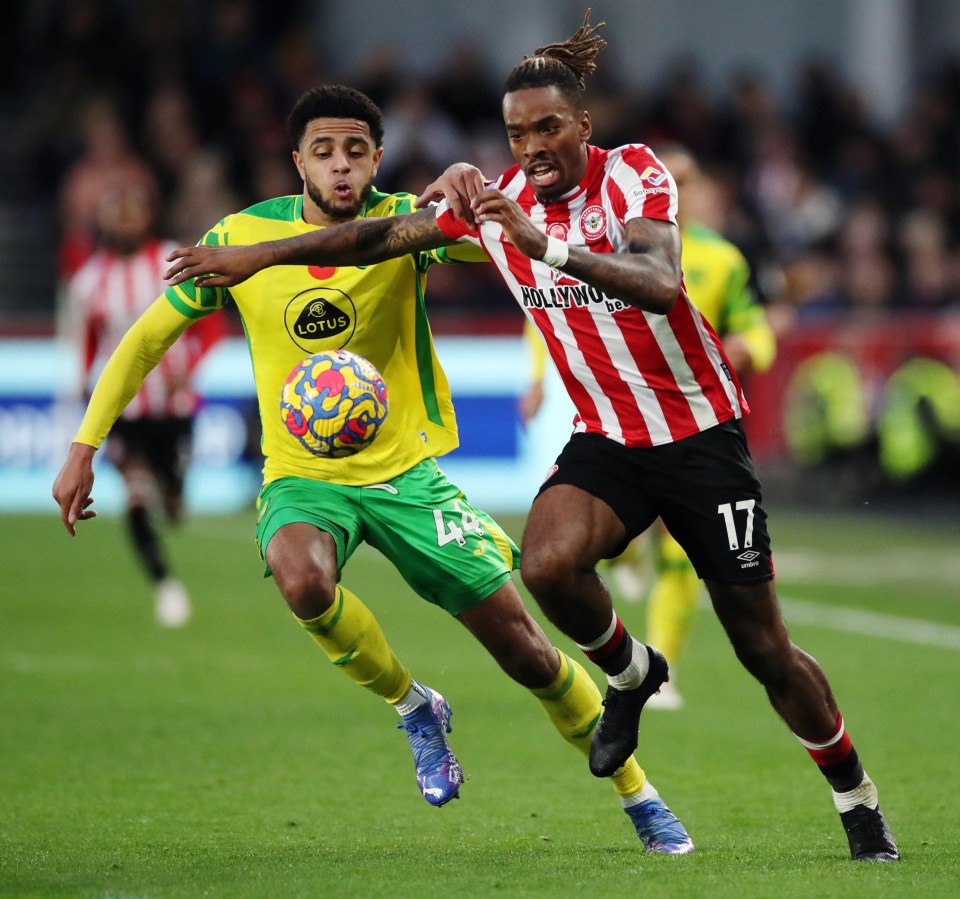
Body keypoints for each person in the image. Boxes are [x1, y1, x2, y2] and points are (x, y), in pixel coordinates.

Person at [162, 13, 900, 863]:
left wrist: (540, 242)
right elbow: (374, 237)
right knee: (545, 563)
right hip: (610, 439)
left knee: (762, 648)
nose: (535, 145)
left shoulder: (633, 177)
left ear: (583, 125)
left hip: (699, 436)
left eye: (549, 126)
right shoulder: (494, 205)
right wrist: (263, 258)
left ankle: (856, 797)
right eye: (518, 133)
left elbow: (660, 283)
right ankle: (630, 674)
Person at [53, 84, 694, 853]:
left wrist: (474, 185)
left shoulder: (410, 225)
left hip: (409, 478)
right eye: (323, 151)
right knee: (302, 579)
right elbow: (148, 337)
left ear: (379, 158)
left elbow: (514, 238)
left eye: (356, 150)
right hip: (304, 477)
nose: (341, 165)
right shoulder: (242, 237)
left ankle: (641, 795)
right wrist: (85, 445)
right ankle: (413, 704)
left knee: (527, 649)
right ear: (298, 162)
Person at [518, 143, 779, 710]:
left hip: (695, 419)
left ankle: (664, 663)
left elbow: (758, 327)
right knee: (575, 545)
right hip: (617, 416)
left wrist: (745, 346)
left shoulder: (724, 260)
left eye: (686, 180)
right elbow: (543, 302)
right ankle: (626, 565)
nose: (677, 189)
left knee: (681, 557)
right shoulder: (608, 232)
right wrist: (536, 376)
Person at [62, 178, 224, 626]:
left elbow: (211, 327)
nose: (126, 220)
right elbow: (91, 340)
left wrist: (189, 373)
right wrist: (83, 386)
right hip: (126, 412)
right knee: (136, 497)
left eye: (134, 210)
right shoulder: (91, 280)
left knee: (171, 503)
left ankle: (172, 491)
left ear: (148, 216)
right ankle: (166, 587)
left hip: (173, 410)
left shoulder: (172, 259)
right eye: (117, 210)